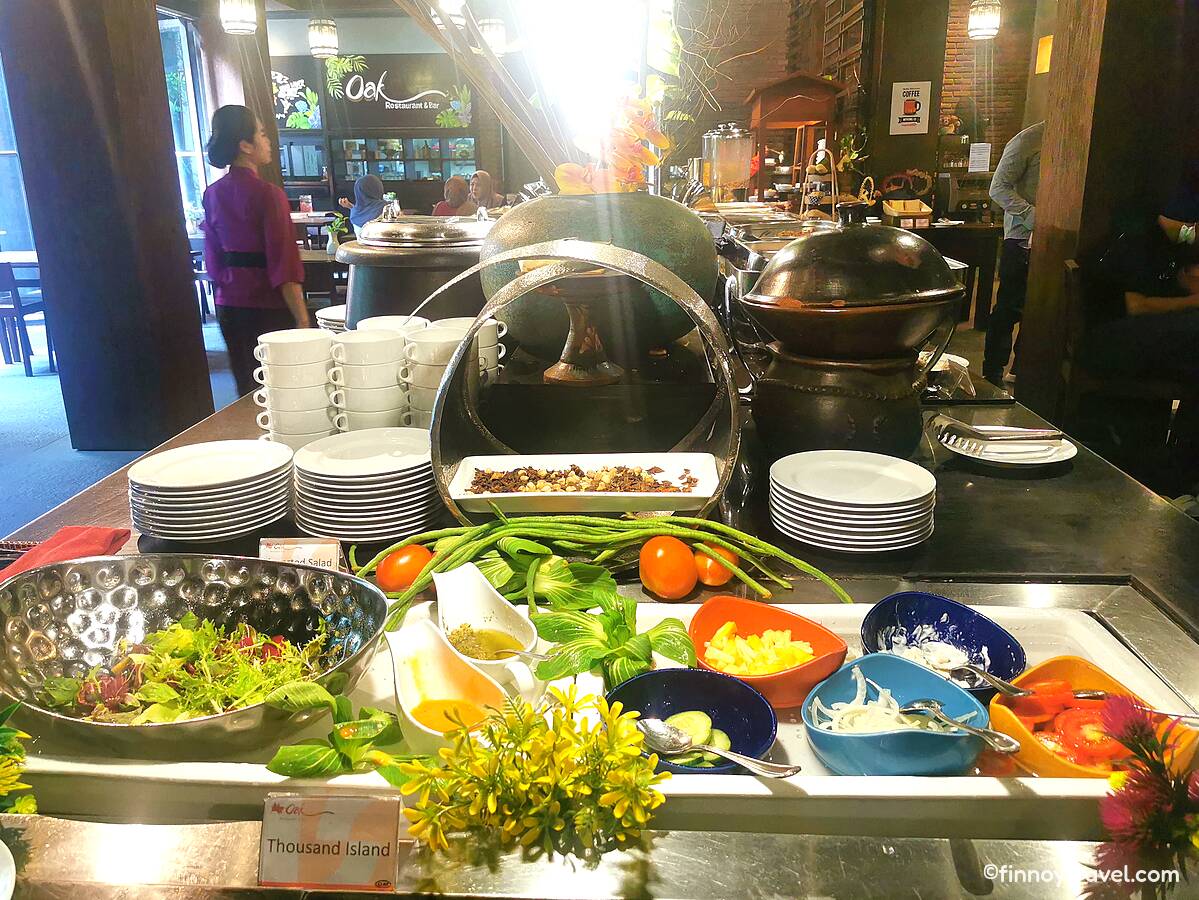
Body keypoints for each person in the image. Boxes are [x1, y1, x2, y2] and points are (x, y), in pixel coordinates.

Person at [201, 105, 307, 397]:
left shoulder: (212, 193)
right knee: (280, 389)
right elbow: (283, 264)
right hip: (268, 307)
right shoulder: (269, 195)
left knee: (245, 387)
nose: (268, 140)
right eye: (261, 134)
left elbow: (213, 259)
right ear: (245, 145)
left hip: (228, 307)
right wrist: (302, 318)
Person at [983, 121, 1044, 387]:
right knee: (1010, 306)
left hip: (1056, 238)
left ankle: (1022, 369)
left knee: (1042, 307)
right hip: (1021, 238)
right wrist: (1034, 216)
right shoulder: (1028, 140)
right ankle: (992, 372)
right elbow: (998, 188)